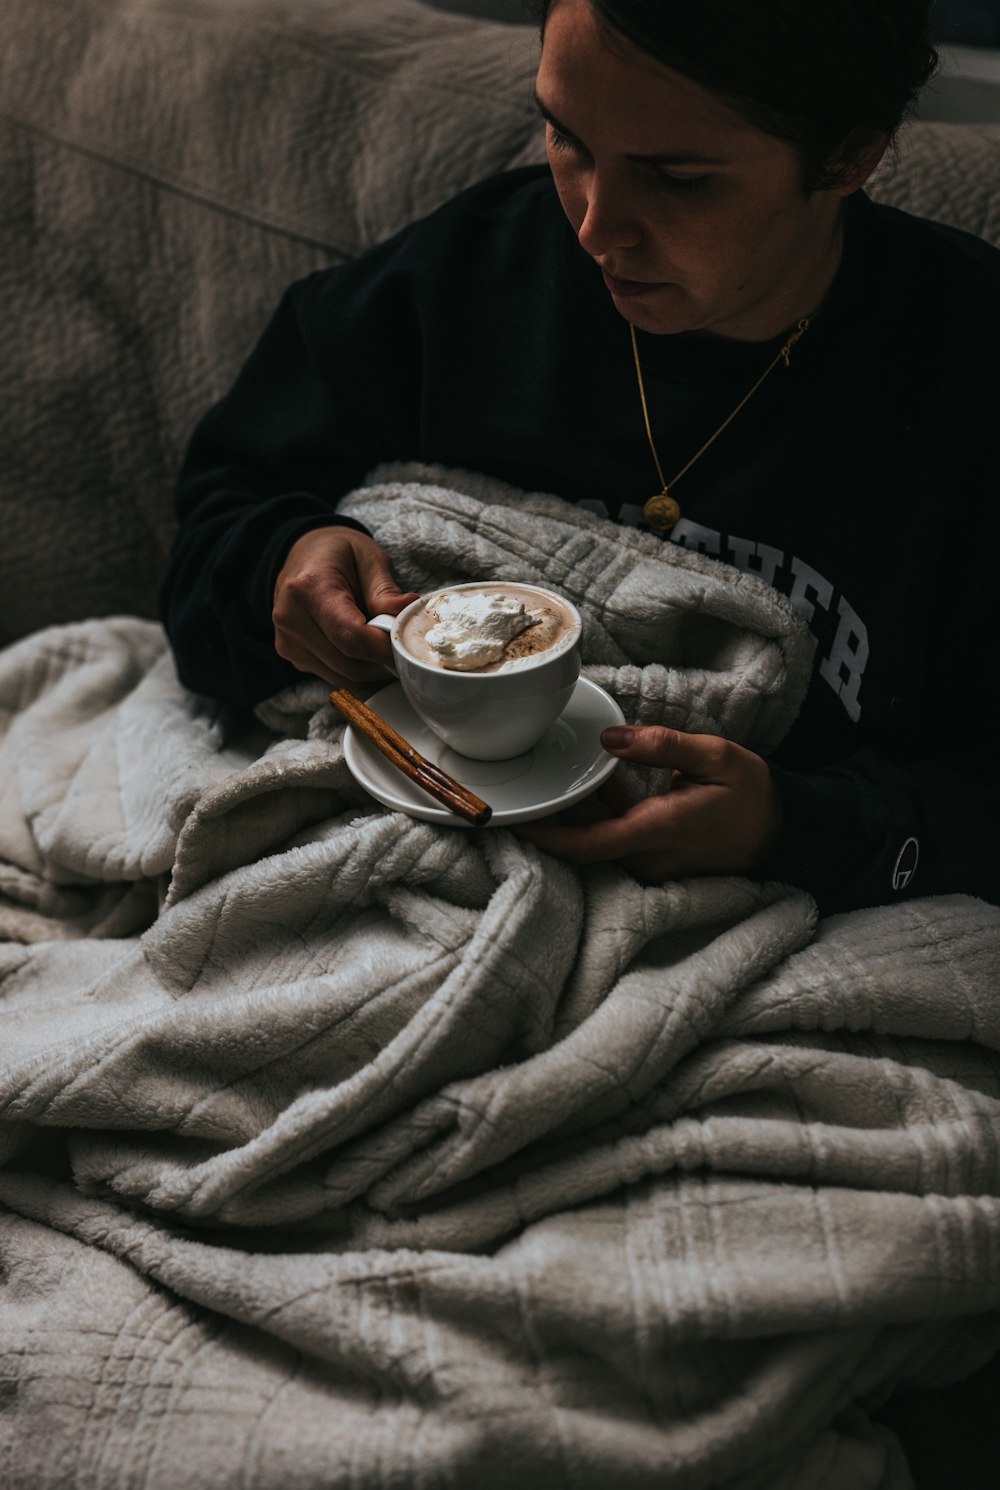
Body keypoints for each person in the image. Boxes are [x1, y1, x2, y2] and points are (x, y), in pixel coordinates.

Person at [159, 0, 1000, 916]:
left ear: (848, 157)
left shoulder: (964, 377)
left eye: (678, 180)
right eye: (568, 141)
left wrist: (792, 826)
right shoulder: (471, 272)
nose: (597, 228)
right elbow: (219, 520)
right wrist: (281, 562)